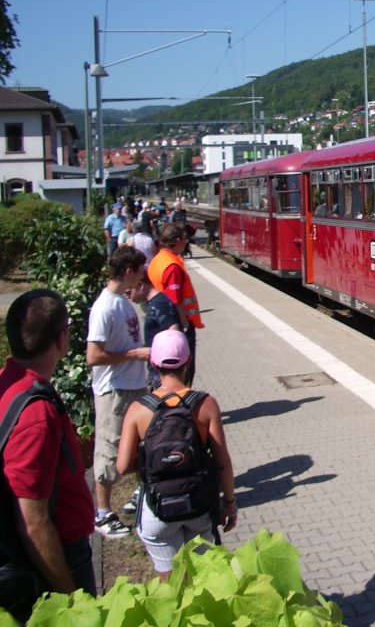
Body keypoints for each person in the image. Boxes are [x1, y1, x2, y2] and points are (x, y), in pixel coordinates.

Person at [0, 290, 97, 607]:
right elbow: (33, 521)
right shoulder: (35, 415)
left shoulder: (11, 382)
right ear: (62, 339)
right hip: (59, 559)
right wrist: (71, 598)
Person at [116, 330, 237, 582]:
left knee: (172, 585)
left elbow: (122, 466)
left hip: (157, 508)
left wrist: (152, 463)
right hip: (199, 506)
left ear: (153, 363)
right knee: (204, 578)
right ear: (189, 361)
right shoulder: (206, 404)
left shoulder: (138, 409)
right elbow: (222, 462)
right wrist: (229, 502)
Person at [86, 246, 151, 538]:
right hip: (114, 390)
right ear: (128, 271)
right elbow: (93, 356)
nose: (142, 278)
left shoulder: (122, 301)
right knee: (109, 449)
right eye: (139, 271)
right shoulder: (105, 307)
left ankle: (138, 499)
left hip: (133, 386)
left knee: (139, 447)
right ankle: (102, 513)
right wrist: (133, 354)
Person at [148, 223, 204, 386]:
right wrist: (184, 325)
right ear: (178, 240)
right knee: (184, 371)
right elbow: (175, 299)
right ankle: (183, 406)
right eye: (185, 240)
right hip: (177, 323)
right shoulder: (172, 266)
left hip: (161, 320)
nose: (187, 243)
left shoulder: (159, 259)